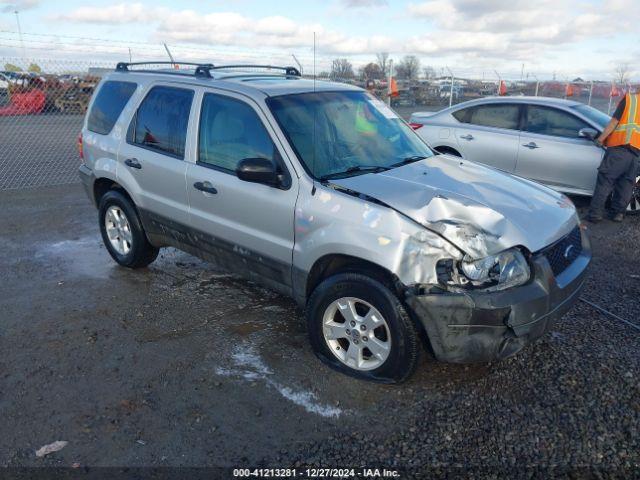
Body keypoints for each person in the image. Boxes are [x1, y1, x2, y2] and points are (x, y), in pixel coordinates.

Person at [587, 91, 640, 223]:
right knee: (626, 185)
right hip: (636, 154)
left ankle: (595, 215)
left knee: (605, 182)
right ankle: (618, 214)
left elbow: (614, 122)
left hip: (620, 148)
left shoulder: (630, 100)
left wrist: (601, 139)